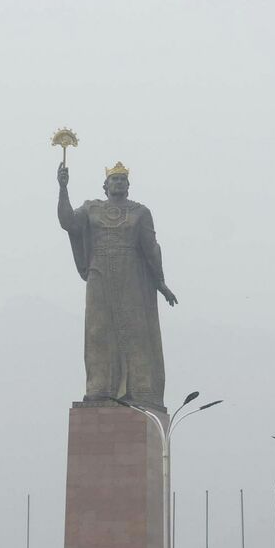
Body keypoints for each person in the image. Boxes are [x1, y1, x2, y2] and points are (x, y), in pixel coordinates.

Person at [57, 161, 177, 409]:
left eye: (123, 179)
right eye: (115, 179)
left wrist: (161, 283)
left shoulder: (140, 212)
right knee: (98, 331)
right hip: (99, 276)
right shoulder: (91, 209)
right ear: (106, 185)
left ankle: (140, 388)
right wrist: (63, 188)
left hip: (131, 277)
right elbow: (68, 222)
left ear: (128, 185)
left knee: (135, 332)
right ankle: (99, 388)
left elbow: (151, 249)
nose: (119, 183)